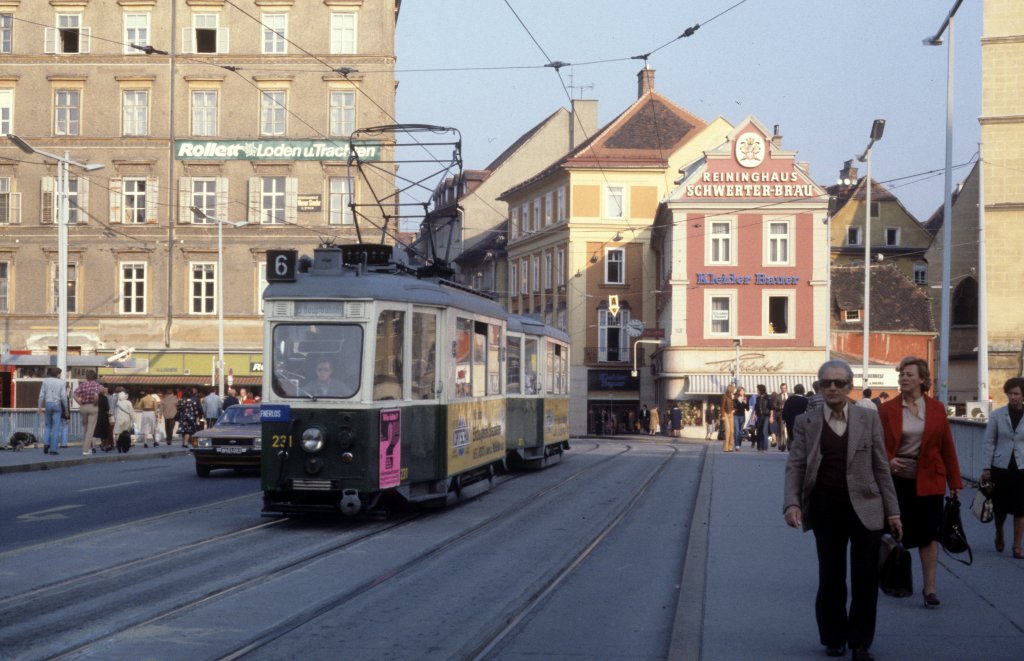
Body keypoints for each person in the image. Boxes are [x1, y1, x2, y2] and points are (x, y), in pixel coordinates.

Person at [784, 359, 902, 661]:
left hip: (867, 509)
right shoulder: (806, 423)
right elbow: (795, 465)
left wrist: (893, 512)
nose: (833, 388)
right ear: (819, 387)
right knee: (831, 578)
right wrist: (792, 503)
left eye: (839, 383)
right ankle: (833, 638)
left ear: (850, 387)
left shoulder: (867, 418)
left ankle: (860, 642)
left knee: (865, 579)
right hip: (826, 509)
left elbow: (881, 466)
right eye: (827, 383)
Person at [878, 356, 962, 608]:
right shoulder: (887, 409)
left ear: (922, 380)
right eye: (901, 374)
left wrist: (955, 481)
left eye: (909, 374)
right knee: (892, 534)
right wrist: (889, 460)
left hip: (929, 480)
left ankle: (930, 589)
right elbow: (877, 444)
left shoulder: (936, 409)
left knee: (929, 535)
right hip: (897, 481)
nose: (903, 378)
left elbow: (947, 446)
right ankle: (891, 579)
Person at [981, 377, 1024, 559]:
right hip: (1000, 467)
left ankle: (1016, 547)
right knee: (1000, 508)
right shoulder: (998, 415)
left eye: (1016, 394)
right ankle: (999, 532)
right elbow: (989, 442)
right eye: (1010, 393)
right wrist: (986, 468)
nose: (1013, 397)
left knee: (1021, 509)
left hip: (1022, 468)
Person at [36, 366, 67, 455]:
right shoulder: (61, 382)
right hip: (57, 405)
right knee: (56, 428)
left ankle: (46, 443)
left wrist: (39, 407)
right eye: (59, 373)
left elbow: (41, 395)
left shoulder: (45, 381)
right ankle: (53, 449)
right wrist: (66, 409)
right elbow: (64, 397)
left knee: (48, 425)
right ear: (57, 374)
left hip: (48, 404)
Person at [73, 370, 102, 455]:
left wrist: (79, 402)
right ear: (95, 377)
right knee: (90, 429)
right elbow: (96, 396)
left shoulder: (82, 385)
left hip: (83, 407)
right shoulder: (97, 385)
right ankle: (86, 450)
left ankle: (87, 448)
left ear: (87, 377)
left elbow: (74, 395)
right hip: (92, 406)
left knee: (85, 428)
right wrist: (95, 403)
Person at [93, 385, 113, 452]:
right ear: (102, 391)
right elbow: (107, 408)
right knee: (105, 432)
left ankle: (94, 447)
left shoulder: (95, 398)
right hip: (104, 416)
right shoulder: (105, 398)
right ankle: (106, 446)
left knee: (95, 433)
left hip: (96, 416)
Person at [772, 383, 789, 450]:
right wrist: (779, 407)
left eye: (785, 388)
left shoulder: (790, 395)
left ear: (787, 388)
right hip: (780, 415)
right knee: (781, 431)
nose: (783, 390)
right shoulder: (778, 396)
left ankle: (789, 445)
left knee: (789, 431)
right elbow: (774, 405)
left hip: (789, 415)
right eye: (782, 388)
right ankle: (781, 445)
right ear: (780, 389)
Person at [721, 385, 736, 452]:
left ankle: (730, 447)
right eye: (734, 389)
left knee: (732, 431)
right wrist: (723, 415)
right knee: (728, 431)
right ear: (731, 389)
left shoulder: (733, 397)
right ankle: (725, 447)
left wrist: (734, 409)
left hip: (731, 414)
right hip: (726, 414)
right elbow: (722, 406)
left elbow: (735, 406)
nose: (735, 390)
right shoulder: (725, 396)